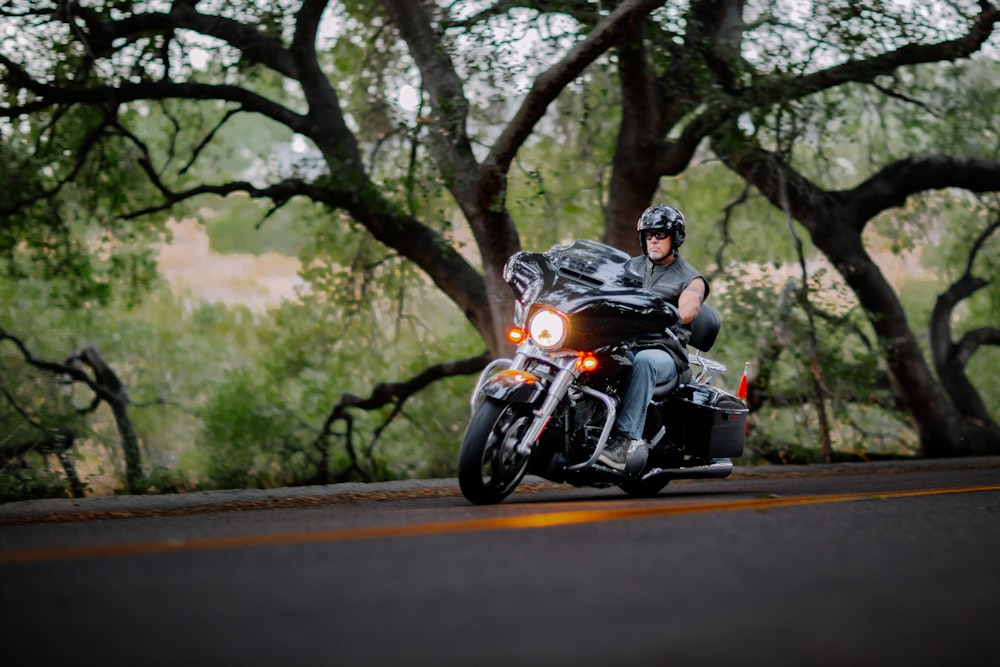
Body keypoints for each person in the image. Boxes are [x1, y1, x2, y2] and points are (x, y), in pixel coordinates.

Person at [598, 204, 710, 471]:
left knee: (644, 362)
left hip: (665, 353)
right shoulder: (628, 267)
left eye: (660, 234)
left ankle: (625, 441)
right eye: (649, 235)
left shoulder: (691, 278)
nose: (653, 240)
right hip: (626, 344)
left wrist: (671, 315)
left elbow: (691, 306)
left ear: (675, 238)